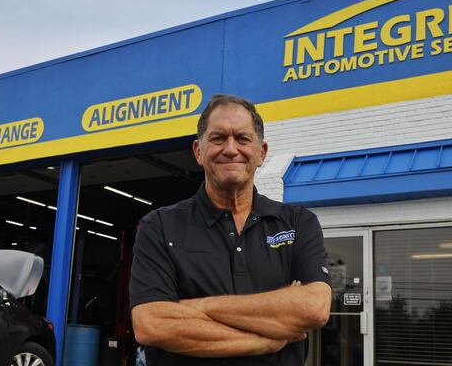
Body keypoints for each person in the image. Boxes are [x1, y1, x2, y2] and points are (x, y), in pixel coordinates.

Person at [129, 94, 332, 365]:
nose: (230, 148)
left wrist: (195, 306)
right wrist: (267, 338)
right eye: (217, 138)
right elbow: (151, 324)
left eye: (243, 138)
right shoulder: (159, 227)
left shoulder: (297, 222)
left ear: (261, 153)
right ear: (198, 152)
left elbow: (313, 308)